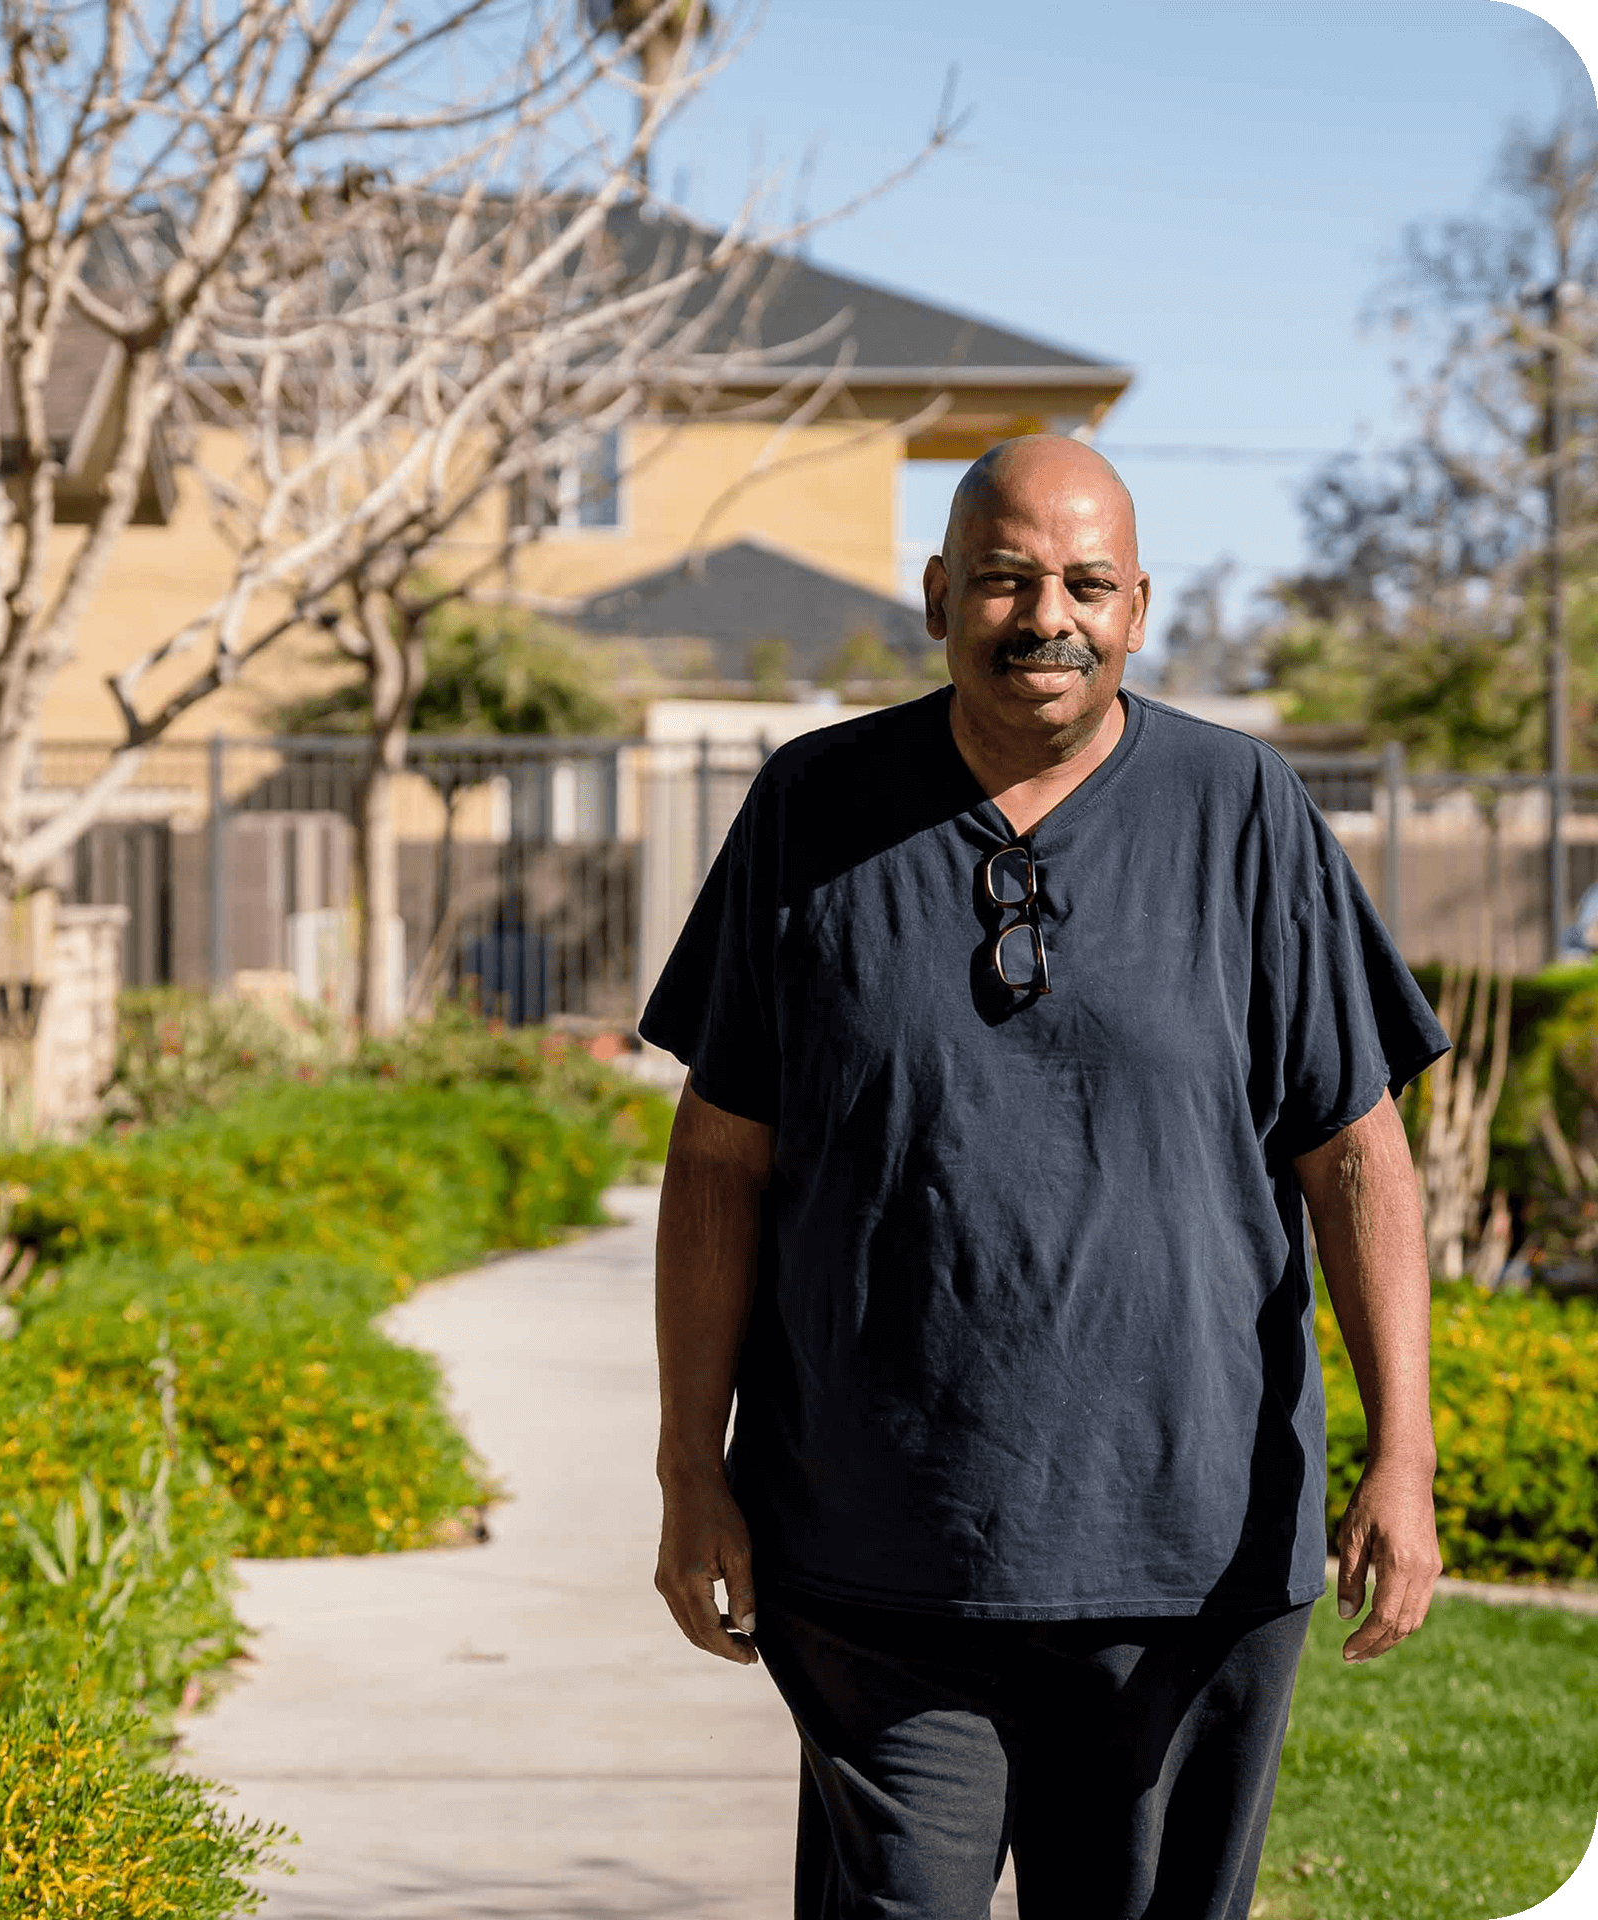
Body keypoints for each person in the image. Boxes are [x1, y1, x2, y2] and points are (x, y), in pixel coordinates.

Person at [639, 434, 1451, 1920]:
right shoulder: (809, 813)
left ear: (1140, 606)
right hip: (872, 1546)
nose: (1045, 615)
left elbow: (1357, 1152)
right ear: (940, 593)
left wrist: (1405, 1449)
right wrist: (694, 1467)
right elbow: (717, 1162)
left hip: (1189, 1552)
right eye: (1006, 579)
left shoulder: (1248, 815)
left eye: (1085, 582)